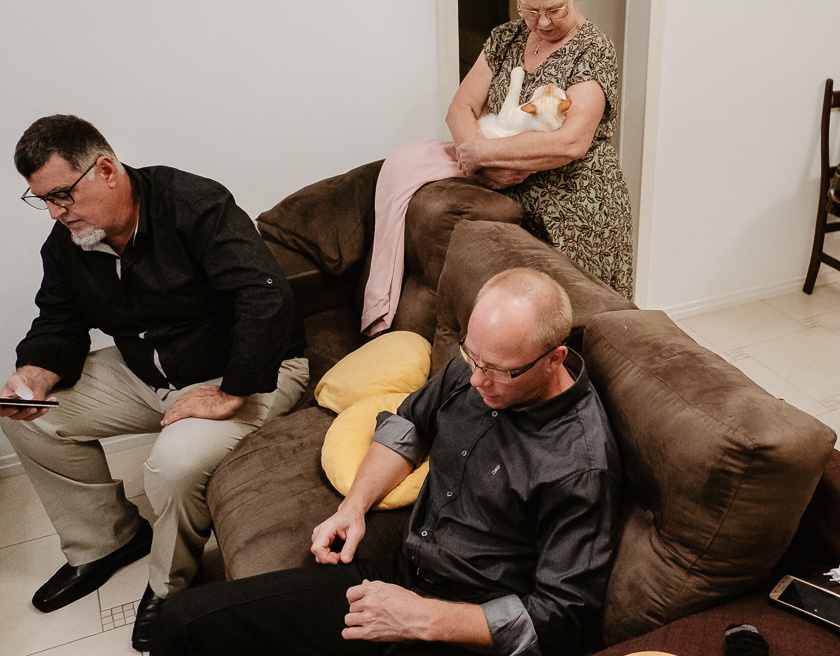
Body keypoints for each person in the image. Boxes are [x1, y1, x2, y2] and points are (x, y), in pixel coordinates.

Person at [152, 268, 621, 656]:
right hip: (397, 575)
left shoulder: (579, 464)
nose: (476, 380)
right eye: (471, 357)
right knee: (183, 621)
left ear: (554, 358)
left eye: (498, 370)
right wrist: (353, 507)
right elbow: (410, 425)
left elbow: (560, 619)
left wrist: (422, 618)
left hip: (463, 627)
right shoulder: (478, 364)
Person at [1, 115, 307, 651]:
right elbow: (59, 320)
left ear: (105, 170)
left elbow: (265, 295)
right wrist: (34, 374)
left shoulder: (193, 204)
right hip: (151, 376)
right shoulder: (70, 239)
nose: (54, 213)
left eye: (62, 196)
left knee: (174, 462)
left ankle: (169, 588)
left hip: (250, 370)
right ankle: (106, 542)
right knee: (33, 418)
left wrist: (231, 391)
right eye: (42, 200)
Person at [449, 0, 634, 299]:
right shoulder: (506, 39)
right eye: (530, 10)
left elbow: (570, 142)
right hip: (510, 212)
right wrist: (482, 159)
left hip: (578, 216)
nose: (543, 22)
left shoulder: (593, 49)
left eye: (554, 8)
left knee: (580, 326)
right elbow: (460, 107)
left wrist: (481, 154)